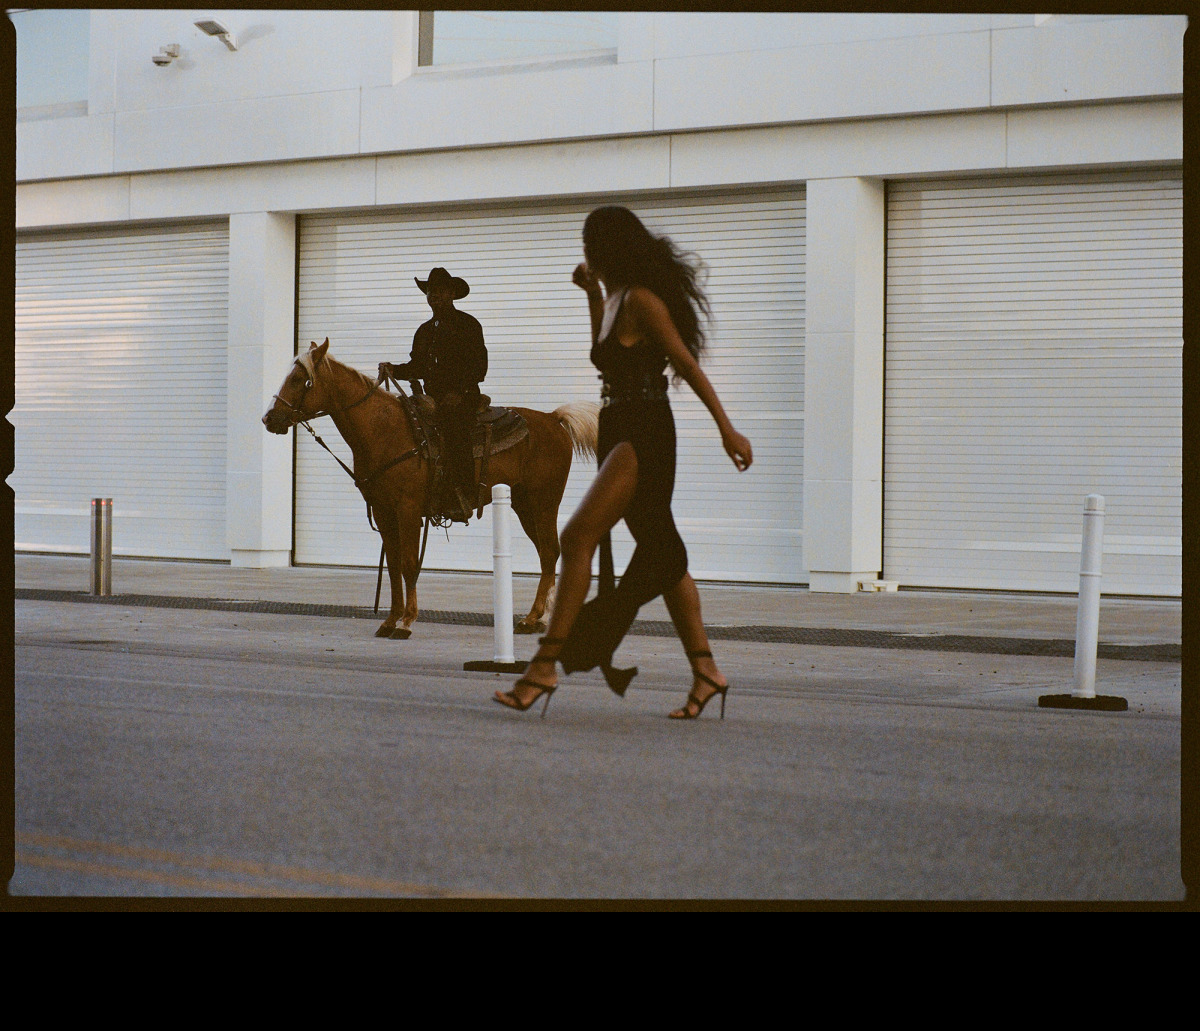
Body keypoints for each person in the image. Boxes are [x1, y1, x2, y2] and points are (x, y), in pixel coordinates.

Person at [494, 206, 753, 720]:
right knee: (664, 551)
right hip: (618, 425)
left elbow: (685, 362)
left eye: (590, 244)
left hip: (645, 430)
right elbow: (602, 354)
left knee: (577, 535)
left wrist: (727, 428)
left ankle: (543, 668)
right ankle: (707, 672)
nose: (585, 253)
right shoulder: (614, 298)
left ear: (609, 247)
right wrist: (591, 294)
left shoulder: (641, 300)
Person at [381, 266, 488, 523]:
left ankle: (462, 494)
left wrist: (459, 392)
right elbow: (416, 366)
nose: (433, 296)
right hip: (432, 399)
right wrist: (393, 369)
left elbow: (479, 366)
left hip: (462, 397)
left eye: (439, 291)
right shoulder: (424, 331)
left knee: (453, 426)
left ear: (451, 293)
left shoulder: (468, 325)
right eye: (430, 292)